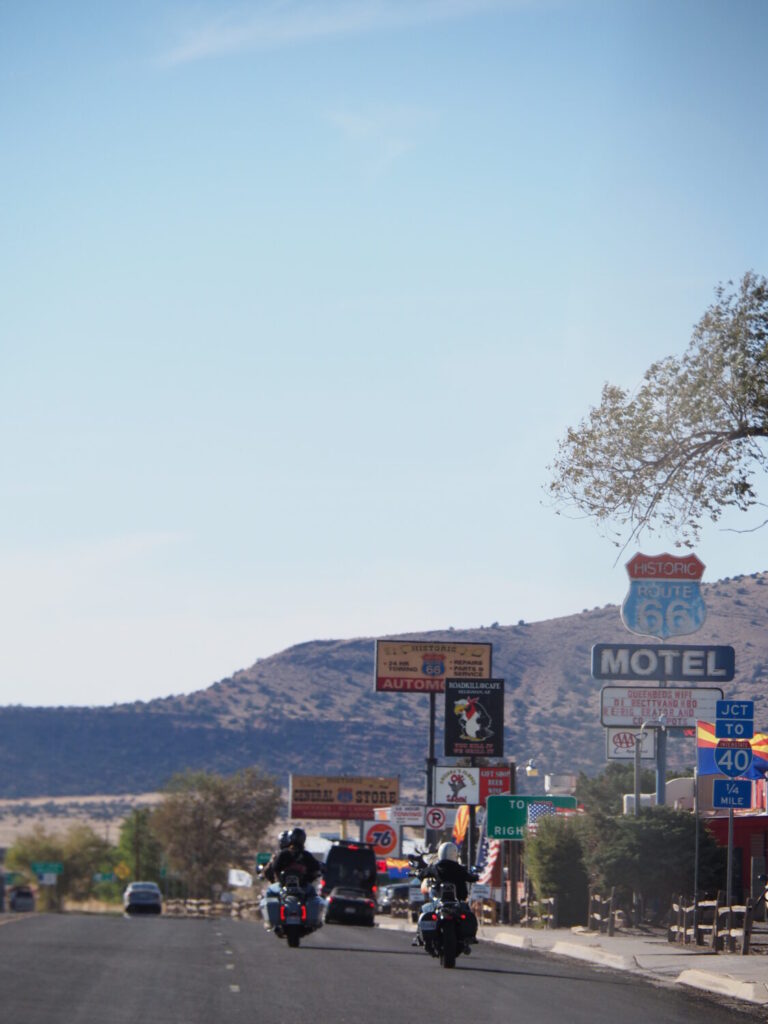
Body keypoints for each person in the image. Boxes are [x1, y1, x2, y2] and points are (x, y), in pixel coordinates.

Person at [414, 842, 479, 950]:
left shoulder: (435, 868)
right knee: (467, 912)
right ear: (455, 854)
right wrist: (475, 876)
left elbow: (423, 874)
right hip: (457, 902)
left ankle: (419, 937)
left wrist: (418, 874)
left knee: (424, 910)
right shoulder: (460, 869)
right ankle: (466, 940)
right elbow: (471, 877)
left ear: (440, 853)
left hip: (440, 902)